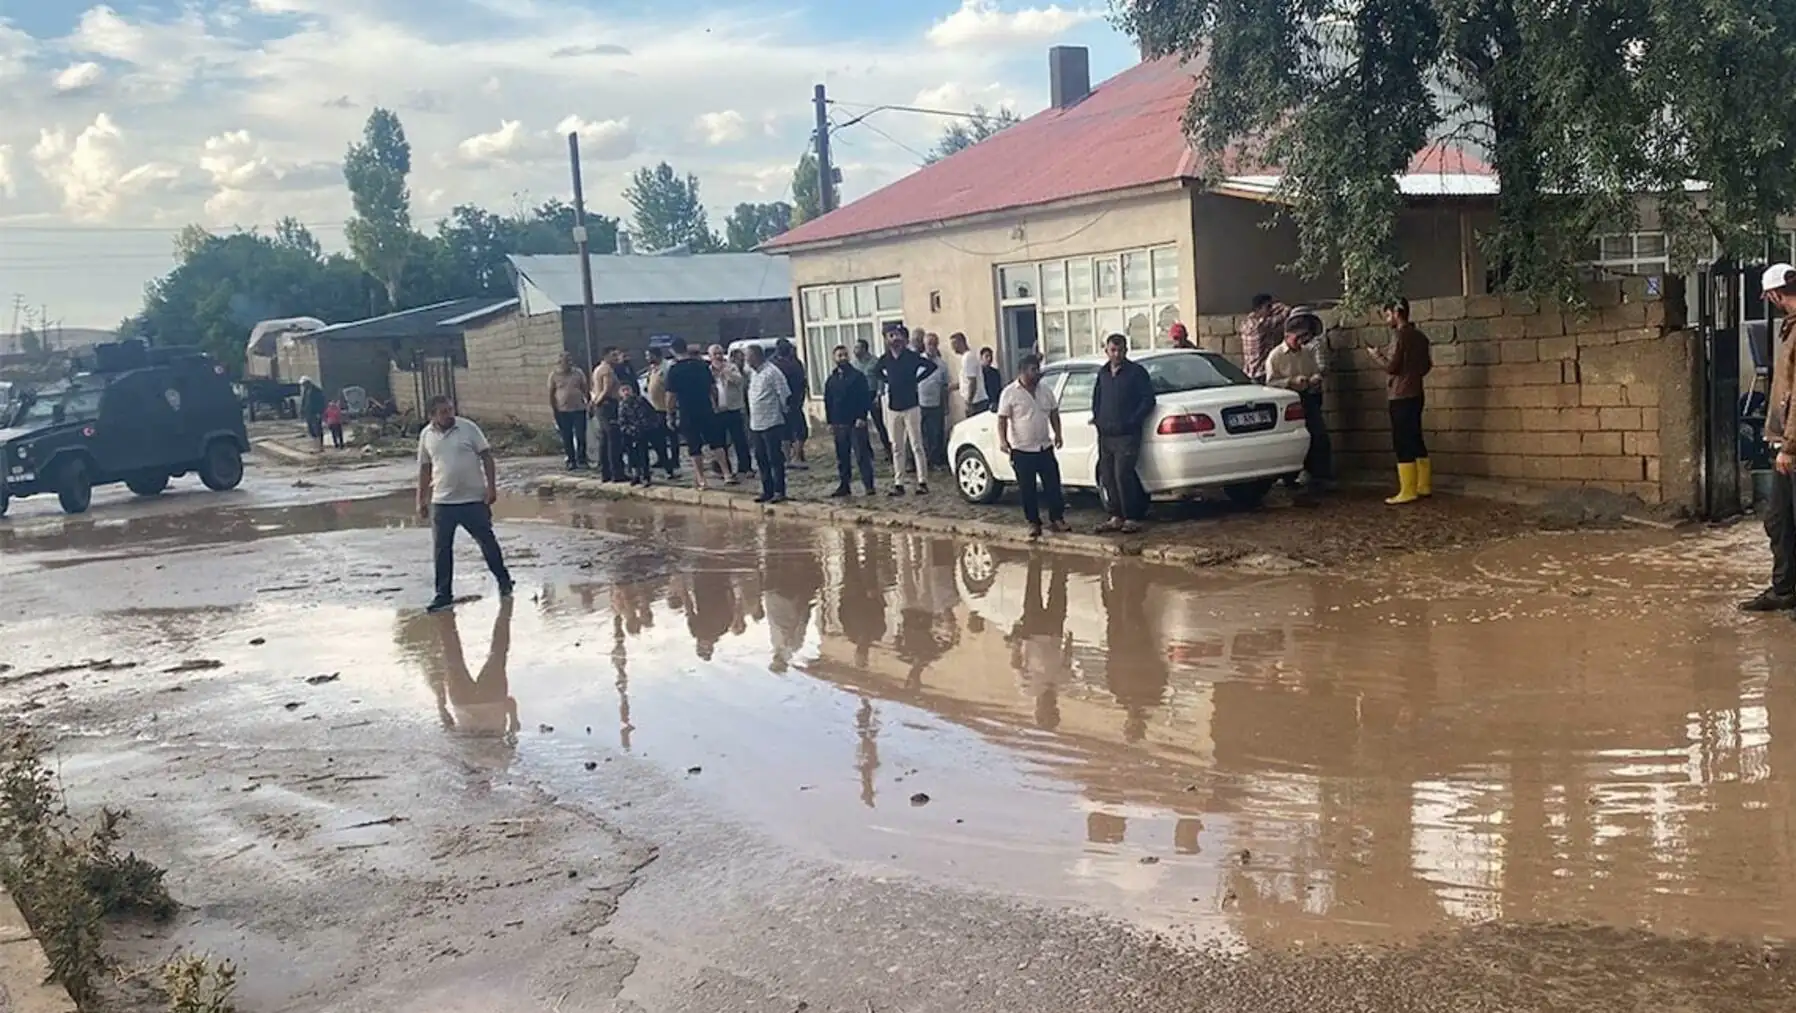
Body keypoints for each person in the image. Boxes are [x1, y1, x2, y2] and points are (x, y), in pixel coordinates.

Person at [416, 395, 512, 613]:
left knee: (487, 542)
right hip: (442, 502)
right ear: (432, 415)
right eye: (443, 412)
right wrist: (420, 500)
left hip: (472, 500)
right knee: (442, 550)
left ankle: (504, 580)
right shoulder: (426, 435)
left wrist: (491, 488)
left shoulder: (468, 428)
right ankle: (443, 595)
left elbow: (487, 457)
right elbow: (424, 468)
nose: (449, 414)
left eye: (450, 409)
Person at [1743, 263, 1796, 613]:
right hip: (1786, 442)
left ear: (1776, 294)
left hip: (1793, 446)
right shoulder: (1790, 328)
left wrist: (1790, 447)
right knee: (1779, 519)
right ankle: (1784, 590)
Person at [997, 353, 1068, 539]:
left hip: (1044, 446)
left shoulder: (1045, 390)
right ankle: (1033, 522)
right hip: (1022, 449)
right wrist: (1003, 441)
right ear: (1023, 371)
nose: (1037, 373)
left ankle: (1057, 518)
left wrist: (1058, 433)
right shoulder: (1010, 393)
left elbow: (1053, 412)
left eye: (1038, 369)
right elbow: (1002, 419)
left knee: (1053, 484)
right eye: (1033, 370)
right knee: (1027, 488)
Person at [1090, 333, 1155, 533]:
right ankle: (1115, 515)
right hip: (1106, 434)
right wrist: (1098, 419)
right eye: (1113, 350)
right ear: (1106, 351)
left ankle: (1132, 517)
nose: (1116, 354)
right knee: (1107, 475)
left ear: (1126, 351)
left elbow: (1148, 400)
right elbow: (1097, 398)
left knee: (1123, 474)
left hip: (1127, 434)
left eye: (1120, 350)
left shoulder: (1136, 373)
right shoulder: (1103, 373)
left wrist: (1132, 421)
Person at [1370, 296, 1433, 505]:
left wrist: (1377, 356)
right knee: (1416, 437)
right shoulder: (1420, 337)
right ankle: (1423, 485)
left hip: (1400, 394)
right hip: (1416, 392)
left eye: (1388, 314)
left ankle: (1407, 490)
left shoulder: (1400, 336)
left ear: (1397, 313)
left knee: (1402, 440)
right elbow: (1426, 366)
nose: (1387, 320)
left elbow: (1392, 367)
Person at [1264, 316, 1334, 489]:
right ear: (1287, 336)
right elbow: (1270, 382)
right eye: (1297, 338)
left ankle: (1319, 473)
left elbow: (1315, 371)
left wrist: (1314, 378)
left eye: (1303, 338)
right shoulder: (1276, 356)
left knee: (1318, 434)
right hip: (1287, 402)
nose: (1300, 342)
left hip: (1307, 397)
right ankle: (1290, 476)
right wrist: (1291, 381)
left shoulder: (1306, 353)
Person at [665, 337, 736, 490]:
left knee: (694, 446)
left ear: (673, 350)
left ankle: (701, 479)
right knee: (716, 443)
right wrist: (715, 404)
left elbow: (671, 396)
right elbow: (713, 388)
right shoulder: (702, 366)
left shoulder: (674, 370)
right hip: (706, 408)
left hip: (687, 411)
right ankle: (727, 474)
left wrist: (670, 414)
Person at [876, 328, 936, 496]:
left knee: (917, 444)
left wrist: (917, 380)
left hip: (911, 405)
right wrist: (887, 380)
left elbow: (931, 366)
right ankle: (899, 482)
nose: (895, 340)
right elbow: (876, 371)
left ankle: (922, 481)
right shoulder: (886, 358)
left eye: (898, 336)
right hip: (894, 407)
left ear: (904, 339)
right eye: (891, 336)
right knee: (897, 446)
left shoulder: (911, 357)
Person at [824, 344, 877, 497]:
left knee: (862, 455)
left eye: (845, 355)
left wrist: (862, 416)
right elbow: (828, 401)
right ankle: (844, 485)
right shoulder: (832, 380)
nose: (843, 358)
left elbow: (864, 398)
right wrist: (830, 422)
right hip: (839, 423)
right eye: (839, 355)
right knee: (842, 456)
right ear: (834, 358)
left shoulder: (857, 376)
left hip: (855, 422)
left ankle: (868, 485)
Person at [744, 344, 790, 504]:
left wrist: (784, 414)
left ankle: (779, 490)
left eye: (748, 356)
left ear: (756, 356)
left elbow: (784, 395)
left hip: (772, 422)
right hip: (756, 424)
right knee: (761, 458)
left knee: (774, 458)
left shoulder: (772, 372)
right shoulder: (753, 373)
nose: (746, 359)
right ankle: (767, 490)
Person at [710, 344, 754, 479]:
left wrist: (725, 371)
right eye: (715, 354)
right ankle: (724, 469)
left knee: (739, 439)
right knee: (720, 442)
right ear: (711, 357)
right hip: (717, 411)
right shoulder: (708, 371)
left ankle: (745, 467)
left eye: (720, 353)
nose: (718, 356)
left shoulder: (731, 367)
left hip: (733, 409)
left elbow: (739, 381)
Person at [547, 352, 591, 470]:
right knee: (567, 436)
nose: (569, 364)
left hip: (578, 409)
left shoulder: (578, 373)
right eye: (566, 361)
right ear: (560, 363)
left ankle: (582, 459)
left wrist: (589, 403)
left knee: (581, 435)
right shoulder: (554, 375)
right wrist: (554, 408)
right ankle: (571, 460)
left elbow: (585, 388)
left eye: (570, 361)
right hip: (562, 410)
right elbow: (551, 393)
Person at [589, 347, 626, 482]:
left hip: (602, 406)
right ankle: (617, 473)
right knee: (613, 439)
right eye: (613, 355)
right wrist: (599, 401)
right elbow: (607, 388)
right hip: (608, 405)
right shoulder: (607, 370)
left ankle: (606, 473)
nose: (616, 358)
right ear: (606, 356)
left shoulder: (598, 369)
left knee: (605, 440)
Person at [773, 338, 810, 469]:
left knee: (786, 432)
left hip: (783, 403)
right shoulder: (795, 364)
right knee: (800, 431)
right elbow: (802, 383)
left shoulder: (774, 364)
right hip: (793, 402)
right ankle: (796, 457)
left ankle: (789, 458)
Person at [616, 382, 661, 487]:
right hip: (630, 434)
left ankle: (646, 476)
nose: (626, 392)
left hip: (644, 431)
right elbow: (622, 422)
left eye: (627, 389)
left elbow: (652, 413)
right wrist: (630, 430)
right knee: (632, 456)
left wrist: (649, 426)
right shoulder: (622, 405)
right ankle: (636, 475)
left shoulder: (641, 401)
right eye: (623, 390)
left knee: (643, 455)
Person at [1239, 294, 1290, 383]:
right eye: (1268, 307)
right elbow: (1285, 313)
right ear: (1259, 309)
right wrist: (1280, 306)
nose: (1271, 310)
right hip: (1261, 373)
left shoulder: (1246, 322)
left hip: (1249, 372)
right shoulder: (1261, 326)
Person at [644, 350, 679, 478]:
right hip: (654, 408)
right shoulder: (653, 369)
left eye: (649, 355)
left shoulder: (667, 367)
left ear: (656, 355)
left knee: (671, 435)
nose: (647, 358)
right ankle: (662, 459)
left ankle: (674, 460)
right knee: (659, 437)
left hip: (666, 407)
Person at [917, 339, 951, 469]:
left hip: (936, 403)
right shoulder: (918, 361)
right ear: (924, 345)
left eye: (933, 344)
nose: (931, 347)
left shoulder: (941, 364)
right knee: (922, 433)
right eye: (928, 344)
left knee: (936, 433)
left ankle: (935, 460)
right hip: (920, 403)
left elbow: (944, 386)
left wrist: (946, 405)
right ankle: (924, 461)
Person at [853, 338, 890, 453]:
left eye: (858, 348)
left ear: (864, 349)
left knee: (879, 423)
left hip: (872, 393)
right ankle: (866, 450)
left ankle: (888, 449)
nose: (855, 350)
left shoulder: (874, 361)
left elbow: (880, 379)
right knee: (861, 424)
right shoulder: (854, 364)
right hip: (859, 396)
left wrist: (879, 394)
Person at [953, 332, 988, 417]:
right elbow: (966, 380)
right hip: (975, 401)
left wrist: (969, 402)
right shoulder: (967, 357)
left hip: (976, 402)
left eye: (954, 344)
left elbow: (972, 382)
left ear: (961, 342)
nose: (952, 347)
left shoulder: (968, 358)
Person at [298, 376, 326, 452]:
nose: (303, 386)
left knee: (317, 429)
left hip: (315, 413)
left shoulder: (317, 391)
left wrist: (320, 412)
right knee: (311, 430)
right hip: (309, 413)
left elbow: (321, 402)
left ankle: (320, 446)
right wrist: (302, 411)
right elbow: (304, 402)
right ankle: (315, 445)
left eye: (304, 384)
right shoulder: (306, 391)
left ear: (308, 383)